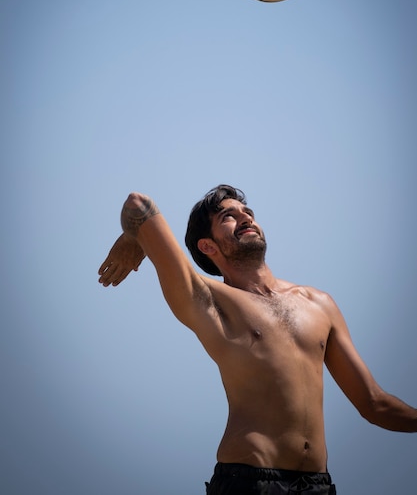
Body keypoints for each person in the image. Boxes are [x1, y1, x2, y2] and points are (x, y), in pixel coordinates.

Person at [98, 184, 417, 494]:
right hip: (247, 482)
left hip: (318, 486)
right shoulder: (209, 300)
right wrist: (133, 237)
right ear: (208, 246)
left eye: (247, 212)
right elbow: (137, 204)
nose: (246, 217)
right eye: (229, 217)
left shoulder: (319, 304)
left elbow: (375, 404)